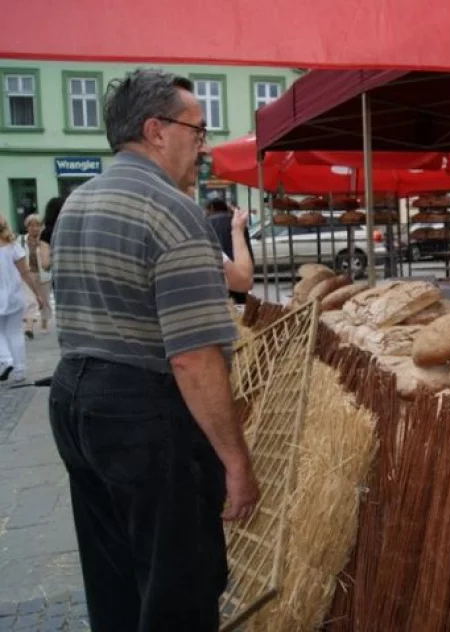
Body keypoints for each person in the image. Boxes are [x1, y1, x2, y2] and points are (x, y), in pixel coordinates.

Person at [48, 69, 259, 631]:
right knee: (180, 588)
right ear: (156, 129)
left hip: (75, 399)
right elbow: (193, 356)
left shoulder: (78, 202)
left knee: (114, 578)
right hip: (142, 414)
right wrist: (236, 463)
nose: (205, 144)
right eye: (198, 128)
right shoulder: (173, 212)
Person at [0, 214, 49, 382]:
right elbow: (25, 273)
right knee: (15, 332)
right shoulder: (13, 245)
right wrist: (38, 295)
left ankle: (6, 360)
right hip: (15, 295)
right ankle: (20, 370)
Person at [206, 198, 254, 302]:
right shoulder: (237, 222)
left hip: (217, 275)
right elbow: (245, 280)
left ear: (211, 208)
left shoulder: (205, 223)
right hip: (238, 269)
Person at [20, 213, 52, 336]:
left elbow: (49, 259)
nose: (34, 228)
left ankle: (44, 322)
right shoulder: (21, 241)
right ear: (27, 227)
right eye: (31, 226)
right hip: (28, 275)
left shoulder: (44, 242)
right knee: (30, 300)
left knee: (44, 300)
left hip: (43, 276)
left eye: (37, 225)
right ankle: (29, 327)